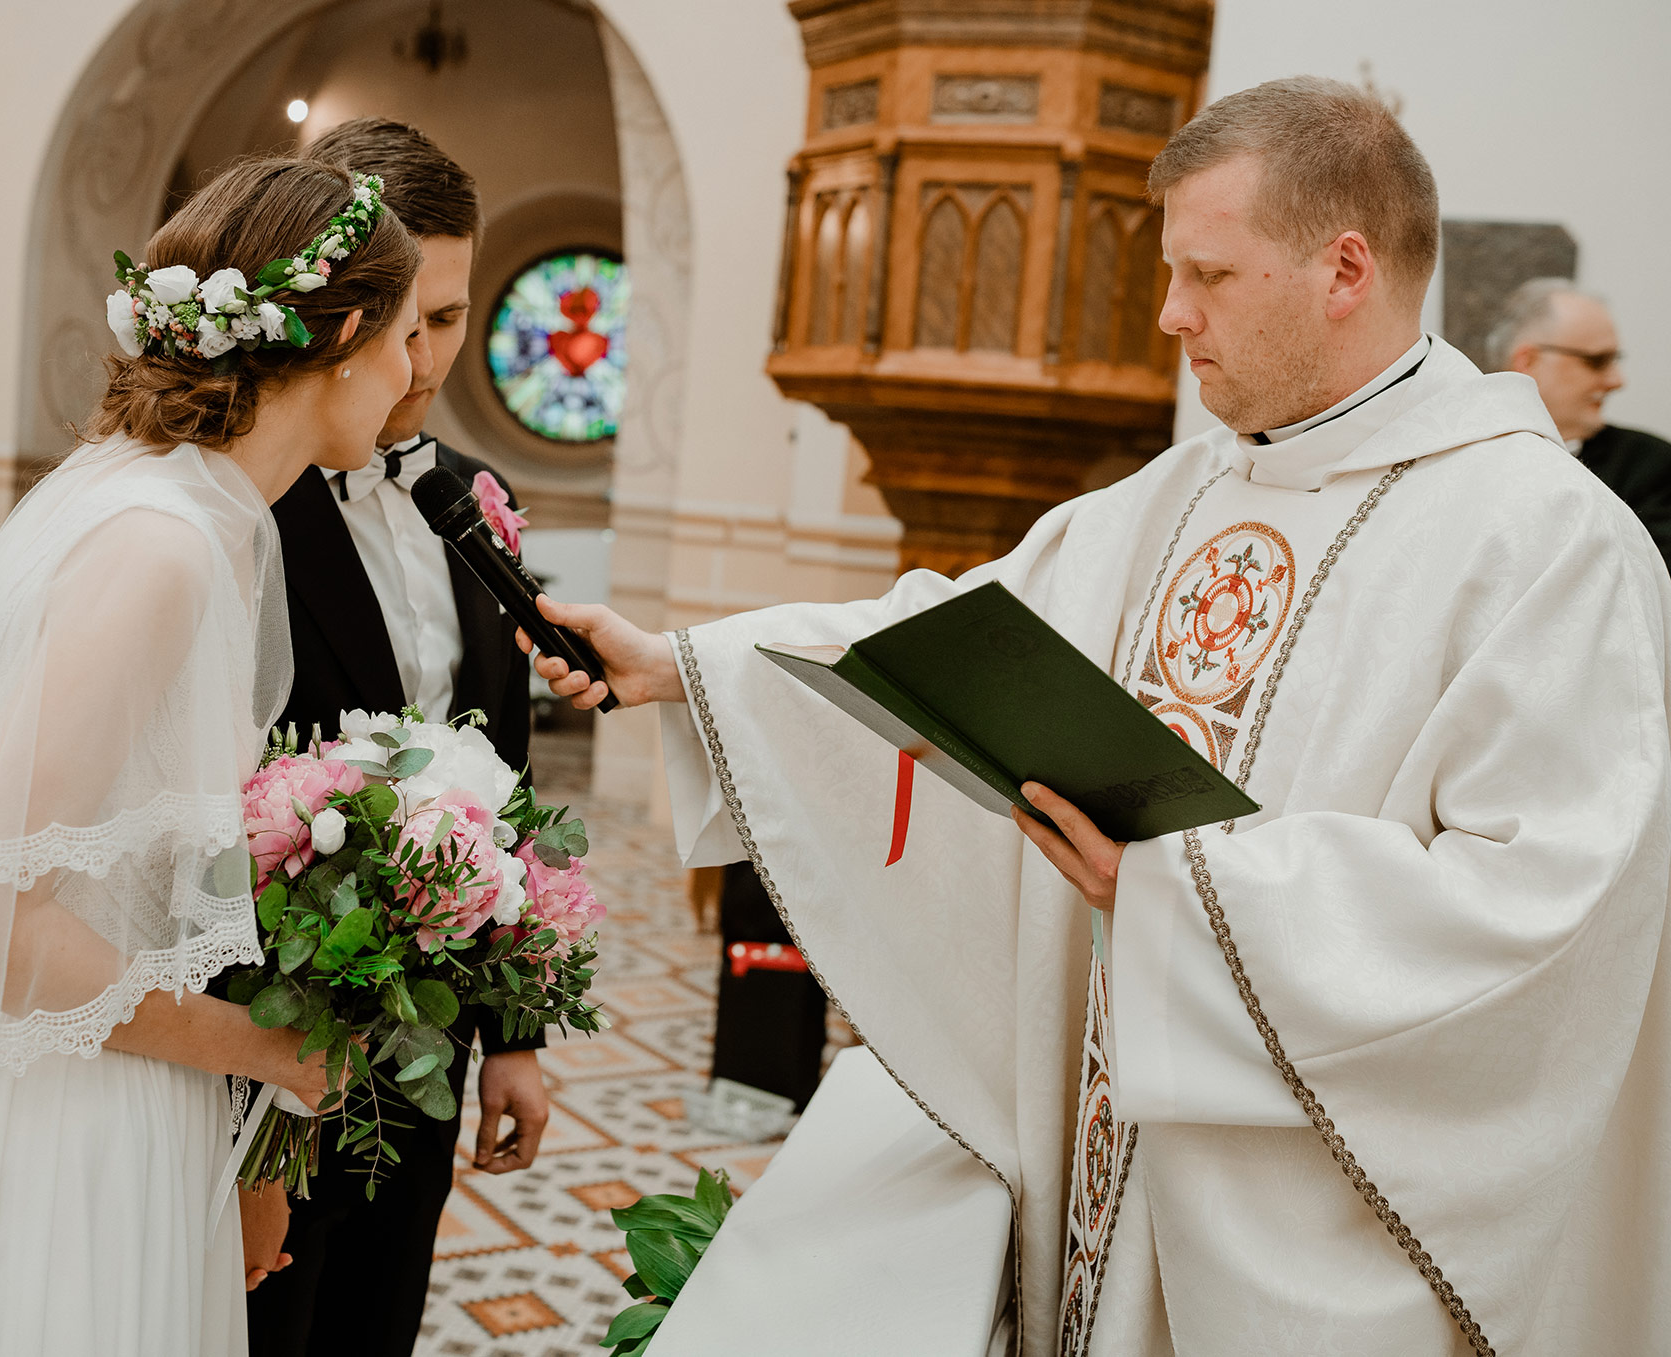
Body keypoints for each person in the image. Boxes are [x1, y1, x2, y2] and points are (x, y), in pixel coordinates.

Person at [528, 77, 1671, 1352]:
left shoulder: (1546, 543)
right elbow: (950, 638)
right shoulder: (1177, 495)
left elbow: (1550, 907)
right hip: (1104, 1154)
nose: (1171, 314)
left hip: (1320, 1227)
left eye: (1208, 273)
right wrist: (682, 664)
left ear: (1343, 269)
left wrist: (1185, 888)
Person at [0, 156, 423, 1355]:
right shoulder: (159, 549)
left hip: (131, 1096)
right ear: (352, 331)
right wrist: (264, 1050)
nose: (419, 375)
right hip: (61, 1137)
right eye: (415, 335)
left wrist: (254, 1131)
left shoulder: (215, 526)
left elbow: (159, 876)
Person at [247, 116, 548, 1357]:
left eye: (454, 316)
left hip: (426, 1028)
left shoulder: (475, 497)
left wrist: (514, 1036)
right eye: (404, 320)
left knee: (375, 1319)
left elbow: (509, 776)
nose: (425, 359)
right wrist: (258, 1102)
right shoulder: (242, 501)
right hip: (260, 1023)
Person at [1490, 278, 1671, 569]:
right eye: (1597, 361)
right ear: (1528, 361)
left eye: (1615, 360)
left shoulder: (1653, 465)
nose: (1616, 381)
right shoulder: (1463, 457)